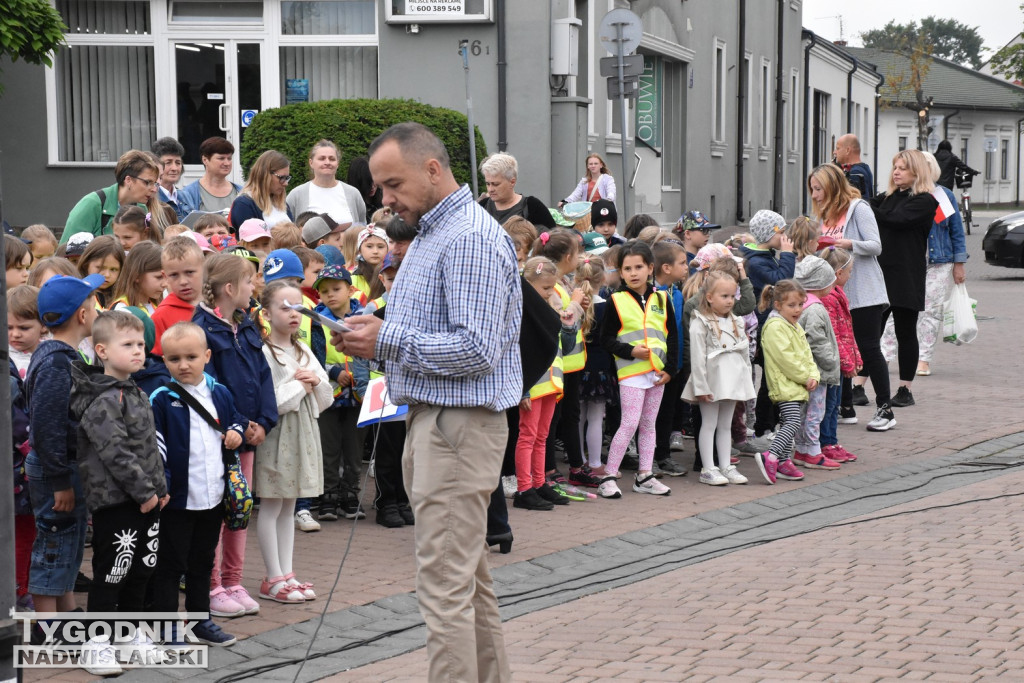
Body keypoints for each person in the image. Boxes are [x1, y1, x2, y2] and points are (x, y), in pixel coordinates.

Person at [333, 122, 520, 682]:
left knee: (445, 589)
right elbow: (430, 326)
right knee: (465, 582)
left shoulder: (465, 236)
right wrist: (377, 325)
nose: (383, 198)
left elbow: (477, 349)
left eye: (393, 184)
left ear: (433, 170)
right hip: (438, 422)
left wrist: (384, 339)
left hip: (458, 427)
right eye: (380, 187)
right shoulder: (436, 232)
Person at [69, 311, 168, 675]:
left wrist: (160, 488)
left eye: (141, 344)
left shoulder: (136, 392)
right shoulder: (102, 398)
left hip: (147, 499)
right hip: (117, 501)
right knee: (113, 570)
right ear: (102, 351)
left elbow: (149, 447)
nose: (139, 352)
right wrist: (145, 492)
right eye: (128, 345)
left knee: (142, 568)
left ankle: (127, 632)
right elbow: (116, 452)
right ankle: (96, 642)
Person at [149, 322, 247, 648]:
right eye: (174, 358)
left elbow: (235, 421)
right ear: (164, 361)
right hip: (177, 499)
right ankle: (165, 625)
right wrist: (161, 486)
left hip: (213, 495)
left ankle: (200, 619)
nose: (184, 365)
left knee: (203, 561)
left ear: (206, 356)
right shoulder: (162, 399)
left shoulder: (219, 392)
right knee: (170, 564)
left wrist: (235, 432)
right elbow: (156, 446)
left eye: (191, 356)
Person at [193, 253, 277, 618]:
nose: (253, 287)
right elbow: (210, 387)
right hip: (221, 439)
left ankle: (234, 580)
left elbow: (263, 376)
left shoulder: (247, 326)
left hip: (247, 438)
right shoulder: (201, 329)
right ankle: (212, 586)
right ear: (229, 288)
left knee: (239, 508)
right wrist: (241, 423)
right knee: (216, 511)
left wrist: (265, 421)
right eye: (248, 281)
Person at [24, 274, 102, 629]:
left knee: (68, 540)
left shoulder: (60, 354)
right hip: (58, 468)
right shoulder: (58, 363)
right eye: (93, 302)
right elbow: (48, 426)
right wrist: (59, 481)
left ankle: (67, 611)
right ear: (82, 315)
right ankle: (47, 624)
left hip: (65, 465)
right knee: (54, 541)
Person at [255, 281, 332, 603]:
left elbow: (325, 393)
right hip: (278, 435)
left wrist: (314, 381)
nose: (293, 314)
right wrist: (303, 385)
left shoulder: (302, 349)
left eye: (298, 308)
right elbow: (273, 402)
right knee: (273, 504)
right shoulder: (264, 351)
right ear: (267, 313)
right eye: (284, 307)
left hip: (302, 432)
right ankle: (273, 576)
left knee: (289, 506)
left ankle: (287, 573)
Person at [808, 163, 888, 429]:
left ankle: (885, 410)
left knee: (869, 348)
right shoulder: (823, 215)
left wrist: (846, 244)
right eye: (812, 190)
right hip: (834, 294)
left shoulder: (858, 208)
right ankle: (846, 408)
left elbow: (876, 246)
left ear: (832, 187)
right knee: (836, 349)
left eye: (818, 189)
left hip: (864, 293)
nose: (815, 195)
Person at [597, 240, 678, 499]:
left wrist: (670, 370)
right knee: (629, 423)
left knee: (649, 425)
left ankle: (644, 475)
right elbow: (605, 339)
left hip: (656, 374)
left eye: (638, 267)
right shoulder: (616, 301)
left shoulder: (663, 298)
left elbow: (673, 337)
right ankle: (609, 476)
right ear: (620, 272)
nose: (633, 273)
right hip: (631, 373)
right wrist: (630, 351)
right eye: (627, 268)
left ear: (650, 268)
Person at [881, 152, 968, 378]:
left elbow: (955, 230)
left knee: (929, 311)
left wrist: (959, 263)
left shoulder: (942, 195)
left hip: (937, 261)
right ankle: (885, 355)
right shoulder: (901, 196)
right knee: (894, 311)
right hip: (907, 263)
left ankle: (923, 359)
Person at [870, 149, 938, 412]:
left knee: (905, 332)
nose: (896, 172)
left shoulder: (925, 201)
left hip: (907, 274)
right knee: (871, 331)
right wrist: (872, 207)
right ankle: (858, 386)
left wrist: (873, 209)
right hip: (881, 272)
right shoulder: (887, 197)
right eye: (895, 167)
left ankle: (905, 389)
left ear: (916, 172)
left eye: (903, 168)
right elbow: (869, 205)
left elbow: (896, 219)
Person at [682, 270, 756, 485]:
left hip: (731, 380)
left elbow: (743, 354)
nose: (730, 301)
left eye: (732, 296)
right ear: (709, 297)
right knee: (709, 423)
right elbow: (697, 358)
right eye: (724, 296)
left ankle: (725, 465)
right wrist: (701, 386)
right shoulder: (700, 322)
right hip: (712, 380)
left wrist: (743, 381)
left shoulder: (736, 321)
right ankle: (708, 467)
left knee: (725, 424)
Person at [313, 265, 367, 522]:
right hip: (329, 394)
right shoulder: (314, 319)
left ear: (350, 289)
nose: (330, 295)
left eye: (336, 289)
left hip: (358, 394)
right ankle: (329, 496)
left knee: (354, 448)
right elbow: (310, 355)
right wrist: (334, 372)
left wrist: (359, 373)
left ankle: (350, 494)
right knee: (329, 447)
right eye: (324, 291)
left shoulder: (365, 316)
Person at [754, 280, 818, 485]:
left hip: (796, 384)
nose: (797, 310)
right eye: (792, 305)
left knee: (789, 422)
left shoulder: (794, 326)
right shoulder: (774, 327)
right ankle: (770, 456)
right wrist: (804, 376)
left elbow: (807, 353)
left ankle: (782, 461)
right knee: (792, 422)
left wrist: (814, 374)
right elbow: (785, 359)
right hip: (784, 384)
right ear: (778, 305)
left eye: (800, 304)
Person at [792, 257, 842, 470]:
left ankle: (803, 448)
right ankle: (812, 450)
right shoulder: (815, 309)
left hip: (808, 370)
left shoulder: (805, 304)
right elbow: (817, 339)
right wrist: (831, 361)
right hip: (817, 371)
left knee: (806, 411)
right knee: (815, 411)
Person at [62, 150, 161, 243]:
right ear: (128, 180)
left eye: (155, 184)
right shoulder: (91, 204)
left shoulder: (141, 209)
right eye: (148, 182)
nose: (154, 189)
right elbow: (64, 252)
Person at [817, 247, 860, 463]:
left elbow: (847, 331)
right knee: (829, 403)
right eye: (850, 272)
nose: (851, 276)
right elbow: (834, 334)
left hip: (840, 360)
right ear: (838, 274)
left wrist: (856, 357)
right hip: (833, 362)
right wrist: (846, 361)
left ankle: (832, 440)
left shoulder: (838, 294)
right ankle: (826, 442)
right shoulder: (829, 299)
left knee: (834, 403)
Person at [650, 240, 689, 476]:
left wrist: (679, 362)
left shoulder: (676, 292)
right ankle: (650, 456)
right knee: (653, 415)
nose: (687, 267)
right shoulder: (652, 293)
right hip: (656, 365)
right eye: (682, 263)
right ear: (666, 267)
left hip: (675, 364)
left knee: (668, 413)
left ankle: (663, 456)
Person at [286, 140, 365, 229]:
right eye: (322, 158)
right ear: (311, 163)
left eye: (332, 159)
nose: (327, 162)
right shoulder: (297, 195)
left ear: (337, 163)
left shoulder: (353, 194)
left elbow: (362, 227)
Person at [151, 236, 205, 356]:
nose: (183, 281)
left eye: (189, 272)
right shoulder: (160, 317)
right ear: (165, 277)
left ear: (204, 268)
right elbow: (156, 364)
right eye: (174, 275)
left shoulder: (220, 304)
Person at [478, 153, 557, 229]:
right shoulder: (482, 206)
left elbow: (553, 239)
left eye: (496, 184)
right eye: (488, 184)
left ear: (512, 182)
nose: (490, 189)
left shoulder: (532, 207)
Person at [229, 150, 294, 229]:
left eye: (287, 178)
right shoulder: (244, 204)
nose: (285, 183)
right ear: (264, 175)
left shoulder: (283, 204)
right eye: (281, 178)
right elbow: (249, 239)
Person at [178, 137, 242, 215]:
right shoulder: (189, 193)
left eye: (229, 158)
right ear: (205, 160)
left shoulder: (241, 192)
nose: (227, 163)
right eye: (221, 158)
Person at [109, 240, 164, 314]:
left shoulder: (158, 306)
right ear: (137, 275)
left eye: (166, 277)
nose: (164, 284)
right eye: (159, 277)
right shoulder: (123, 309)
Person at [76, 235, 125, 309]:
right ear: (86, 264)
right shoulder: (77, 295)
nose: (107, 275)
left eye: (113, 269)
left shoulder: (123, 299)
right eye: (101, 268)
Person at [152, 137, 187, 220]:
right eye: (168, 163)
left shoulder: (185, 196)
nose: (174, 168)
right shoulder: (151, 197)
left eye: (178, 163)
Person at [833, 134, 874, 199]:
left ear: (847, 150)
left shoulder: (855, 173)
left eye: (838, 148)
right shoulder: (865, 168)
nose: (834, 152)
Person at [346, 155, 383, 223]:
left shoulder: (383, 202)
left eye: (374, 180)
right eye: (368, 182)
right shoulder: (348, 208)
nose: (373, 186)